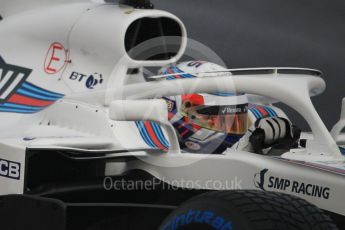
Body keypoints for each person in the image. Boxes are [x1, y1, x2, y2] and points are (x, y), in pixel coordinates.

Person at [158, 61, 300, 154]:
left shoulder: (262, 120)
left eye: (236, 118)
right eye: (218, 118)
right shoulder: (149, 135)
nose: (230, 128)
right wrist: (243, 151)